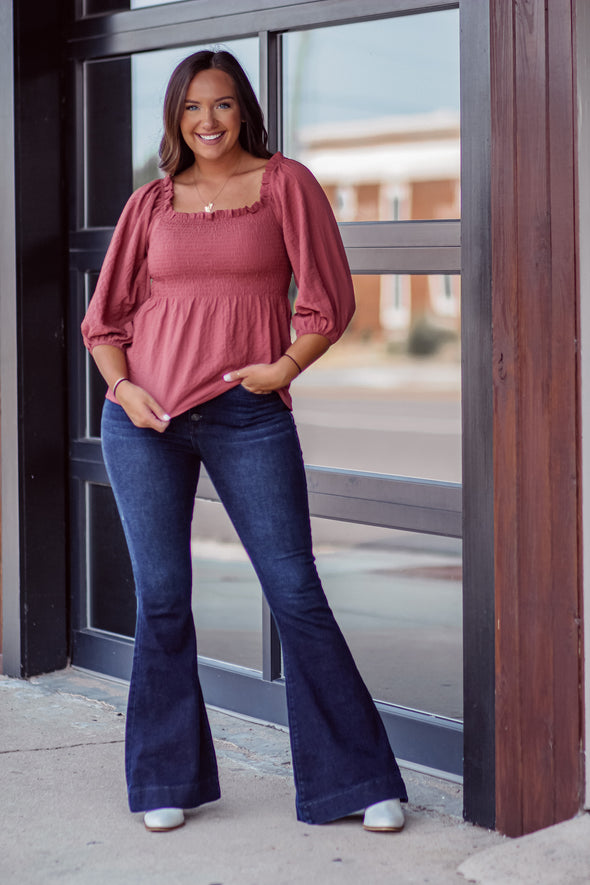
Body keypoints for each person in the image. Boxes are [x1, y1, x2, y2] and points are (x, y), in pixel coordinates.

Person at [81, 49, 408, 834]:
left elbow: (328, 297)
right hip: (144, 420)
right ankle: (166, 777)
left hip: (247, 413)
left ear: (244, 110)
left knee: (295, 590)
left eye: (222, 105)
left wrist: (282, 368)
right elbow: (106, 319)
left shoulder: (283, 183)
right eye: (193, 108)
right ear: (175, 116)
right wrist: (124, 390)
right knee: (161, 599)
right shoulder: (152, 202)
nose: (208, 122)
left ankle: (357, 780)